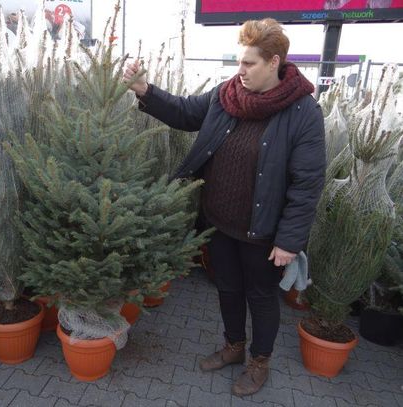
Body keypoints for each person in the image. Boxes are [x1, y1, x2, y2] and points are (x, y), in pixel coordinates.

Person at [122, 18, 325, 396]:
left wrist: (289, 240)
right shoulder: (226, 95)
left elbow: (307, 183)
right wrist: (144, 89)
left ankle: (259, 361)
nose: (240, 70)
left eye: (249, 63)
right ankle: (234, 347)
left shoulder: (302, 113)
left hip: (261, 231)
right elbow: (185, 112)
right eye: (239, 61)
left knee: (260, 296)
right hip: (218, 220)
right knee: (228, 288)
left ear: (274, 62)